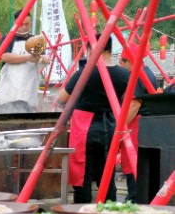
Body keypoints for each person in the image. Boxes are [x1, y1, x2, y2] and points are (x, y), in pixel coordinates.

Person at [57, 34, 142, 204]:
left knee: (83, 177)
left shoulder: (84, 73)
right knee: (107, 176)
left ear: (90, 50)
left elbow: (62, 98)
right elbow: (136, 99)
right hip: (109, 127)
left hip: (84, 129)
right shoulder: (123, 75)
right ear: (110, 49)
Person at [118, 55, 157, 203]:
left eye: (122, 62)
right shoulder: (148, 72)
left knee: (132, 161)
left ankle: (134, 198)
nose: (121, 65)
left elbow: (134, 104)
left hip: (136, 123)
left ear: (130, 62)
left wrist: (120, 127)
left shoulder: (137, 75)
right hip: (145, 124)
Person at [0, 12, 49, 112]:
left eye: (27, 24)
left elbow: (41, 58)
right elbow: (4, 56)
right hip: (10, 94)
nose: (24, 27)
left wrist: (44, 59)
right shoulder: (8, 39)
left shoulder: (36, 40)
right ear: (15, 23)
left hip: (29, 93)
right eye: (21, 24)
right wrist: (28, 58)